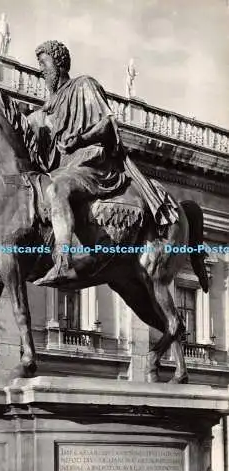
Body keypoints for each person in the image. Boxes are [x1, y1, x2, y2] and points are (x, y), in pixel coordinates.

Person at [29, 40, 178, 286]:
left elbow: (108, 124)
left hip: (92, 165)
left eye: (44, 63)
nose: (41, 70)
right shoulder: (48, 108)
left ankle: (63, 261)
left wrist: (81, 137)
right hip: (67, 169)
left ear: (59, 63)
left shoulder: (83, 85)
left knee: (55, 189)